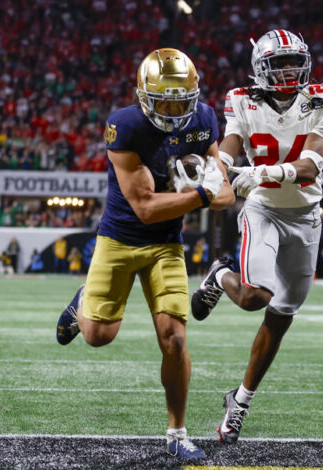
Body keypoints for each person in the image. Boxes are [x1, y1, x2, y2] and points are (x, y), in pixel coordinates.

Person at [55, 48, 233, 459]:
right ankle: (82, 303)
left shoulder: (204, 119)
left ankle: (177, 434)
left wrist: (208, 191)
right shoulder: (125, 125)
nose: (173, 111)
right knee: (99, 336)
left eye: (180, 102)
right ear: (143, 96)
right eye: (163, 102)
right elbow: (146, 207)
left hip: (166, 245)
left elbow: (225, 193)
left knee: (175, 340)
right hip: (119, 238)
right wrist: (201, 193)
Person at [188, 30, 323, 444]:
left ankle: (239, 400)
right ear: (260, 69)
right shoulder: (241, 99)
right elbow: (230, 145)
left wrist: (264, 172)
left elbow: (312, 163)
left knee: (283, 314)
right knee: (255, 297)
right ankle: (221, 275)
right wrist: (215, 169)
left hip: (306, 216)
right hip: (264, 210)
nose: (289, 71)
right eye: (280, 64)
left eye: (295, 62)